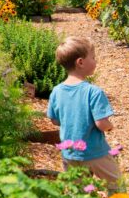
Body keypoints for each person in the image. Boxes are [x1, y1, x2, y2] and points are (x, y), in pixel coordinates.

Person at [47, 36, 119, 187]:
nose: (96, 61)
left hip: (70, 152)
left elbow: (54, 120)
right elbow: (101, 123)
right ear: (80, 62)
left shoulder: (57, 91)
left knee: (78, 190)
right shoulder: (93, 92)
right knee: (116, 184)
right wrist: (110, 126)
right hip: (95, 151)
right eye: (93, 57)